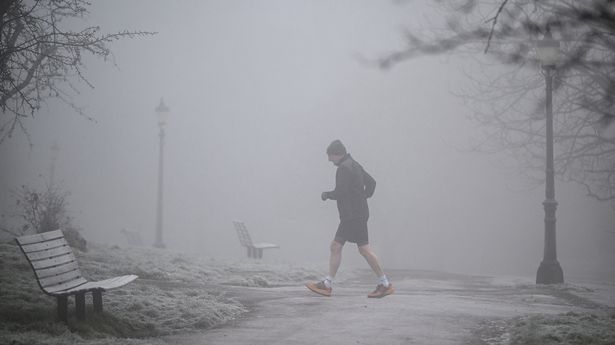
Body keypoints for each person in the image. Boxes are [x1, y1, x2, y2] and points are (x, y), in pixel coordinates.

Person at [306, 140, 394, 298]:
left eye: (330, 156)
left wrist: (326, 195)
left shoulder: (344, 168)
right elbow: (372, 183)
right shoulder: (354, 164)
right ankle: (383, 283)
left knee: (349, 248)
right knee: (349, 248)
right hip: (356, 214)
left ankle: (384, 284)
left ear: (337, 154)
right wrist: (362, 198)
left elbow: (341, 192)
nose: (329, 160)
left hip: (352, 216)